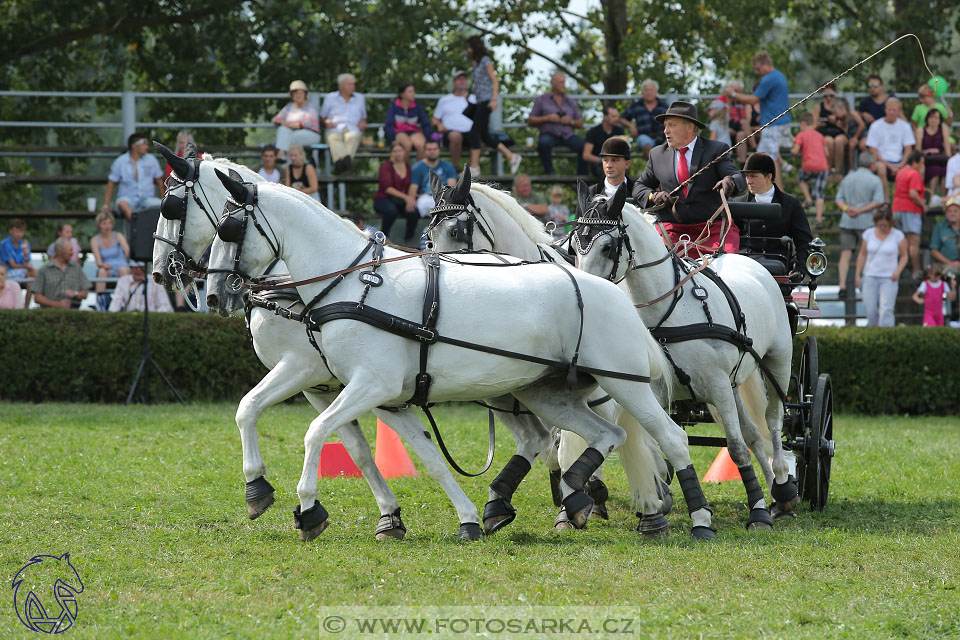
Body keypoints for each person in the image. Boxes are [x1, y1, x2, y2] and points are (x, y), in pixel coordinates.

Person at [633, 101, 745, 257]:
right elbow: (639, 187)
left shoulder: (716, 149)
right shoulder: (656, 154)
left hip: (712, 230)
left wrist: (729, 182)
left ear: (690, 126)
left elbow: (737, 176)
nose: (666, 131)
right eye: (665, 126)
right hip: (671, 232)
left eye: (672, 125)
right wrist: (654, 196)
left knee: (730, 270)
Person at [734, 152, 813, 271]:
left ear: (768, 177)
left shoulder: (791, 203)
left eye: (753, 176)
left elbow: (804, 242)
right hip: (746, 269)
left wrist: (798, 270)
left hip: (781, 268)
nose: (749, 181)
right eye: (747, 176)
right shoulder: (738, 203)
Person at [725, 51, 791, 188]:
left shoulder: (770, 79)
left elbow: (754, 99)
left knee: (771, 160)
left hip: (774, 125)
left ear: (766, 64)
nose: (756, 71)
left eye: (758, 68)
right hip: (777, 124)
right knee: (761, 159)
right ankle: (767, 193)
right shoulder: (779, 76)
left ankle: (779, 197)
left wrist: (733, 94)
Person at [465, 35, 521, 177]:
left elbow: (494, 81)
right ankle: (511, 156)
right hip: (479, 100)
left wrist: (494, 99)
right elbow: (481, 83)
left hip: (486, 101)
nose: (468, 50)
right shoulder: (475, 64)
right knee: (485, 136)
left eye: (469, 47)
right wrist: (471, 91)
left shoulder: (485, 61)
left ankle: (474, 166)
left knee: (474, 132)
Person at [835, 151, 886, 296]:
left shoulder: (848, 178)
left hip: (847, 221)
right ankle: (862, 281)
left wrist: (847, 208)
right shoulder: (875, 180)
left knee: (845, 253)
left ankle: (842, 285)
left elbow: (839, 199)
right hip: (866, 223)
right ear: (871, 164)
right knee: (864, 253)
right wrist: (860, 210)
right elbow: (878, 201)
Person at [855, 209, 908, 327]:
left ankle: (886, 334)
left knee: (886, 309)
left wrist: (898, 271)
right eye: (879, 225)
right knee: (870, 309)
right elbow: (862, 254)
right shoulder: (868, 233)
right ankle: (873, 333)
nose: (882, 227)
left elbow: (904, 255)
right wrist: (858, 274)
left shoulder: (898, 235)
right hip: (870, 275)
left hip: (889, 277)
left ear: (890, 223)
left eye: (885, 225)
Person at [527, 72, 586, 176]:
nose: (564, 85)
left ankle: (581, 176)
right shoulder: (541, 99)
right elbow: (530, 120)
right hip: (549, 133)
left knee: (585, 146)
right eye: (561, 82)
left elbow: (580, 123)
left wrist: (570, 121)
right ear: (553, 83)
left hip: (568, 135)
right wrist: (547, 118)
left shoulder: (570, 101)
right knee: (543, 143)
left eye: (564, 82)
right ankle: (550, 174)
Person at [102, 133, 164, 223]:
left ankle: (142, 229)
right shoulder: (120, 161)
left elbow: (159, 181)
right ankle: (137, 227)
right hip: (127, 198)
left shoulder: (151, 160)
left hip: (147, 199)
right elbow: (111, 183)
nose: (147, 147)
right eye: (144, 144)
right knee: (122, 204)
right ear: (135, 147)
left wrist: (164, 201)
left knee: (160, 206)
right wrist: (106, 205)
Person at [865, 98, 915, 200]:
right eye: (889, 109)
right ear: (885, 109)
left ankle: (905, 202)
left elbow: (908, 149)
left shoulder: (905, 126)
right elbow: (872, 149)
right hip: (881, 161)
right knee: (881, 168)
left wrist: (900, 165)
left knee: (915, 169)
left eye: (894, 110)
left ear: (899, 111)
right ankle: (885, 201)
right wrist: (889, 165)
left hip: (900, 161)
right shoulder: (876, 125)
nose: (891, 112)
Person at [320, 73, 368, 175]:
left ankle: (339, 163)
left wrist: (363, 123)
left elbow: (364, 118)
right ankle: (346, 161)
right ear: (341, 85)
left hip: (353, 128)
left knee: (353, 137)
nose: (352, 86)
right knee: (333, 138)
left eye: (353, 84)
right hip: (334, 128)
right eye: (349, 84)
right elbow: (322, 117)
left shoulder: (360, 98)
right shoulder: (330, 97)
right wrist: (327, 122)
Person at [891, 150, 926, 280]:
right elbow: (913, 194)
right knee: (914, 241)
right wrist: (923, 205)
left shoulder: (901, 172)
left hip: (897, 209)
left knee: (902, 240)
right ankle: (916, 271)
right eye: (922, 163)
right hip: (910, 209)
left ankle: (901, 266)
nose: (923, 166)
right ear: (915, 162)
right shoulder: (914, 173)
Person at [373, 141, 417, 245]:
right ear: (391, 153)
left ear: (404, 152)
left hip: (400, 200)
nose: (397, 153)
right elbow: (387, 188)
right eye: (395, 151)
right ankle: (383, 237)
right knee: (391, 211)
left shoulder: (408, 167)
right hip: (384, 198)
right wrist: (407, 198)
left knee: (413, 212)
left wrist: (410, 199)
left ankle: (409, 240)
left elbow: (412, 185)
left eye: (399, 151)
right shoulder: (386, 167)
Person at [791, 113, 829, 229]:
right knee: (819, 193)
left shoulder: (801, 135)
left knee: (801, 177)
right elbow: (827, 153)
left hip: (809, 165)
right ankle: (819, 218)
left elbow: (795, 151)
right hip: (823, 166)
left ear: (803, 124)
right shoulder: (820, 135)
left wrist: (793, 151)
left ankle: (808, 198)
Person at [31, 238, 92, 309]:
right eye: (70, 250)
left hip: (74, 311)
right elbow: (37, 297)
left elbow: (85, 293)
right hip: (50, 312)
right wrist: (57, 304)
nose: (72, 253)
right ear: (59, 251)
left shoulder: (76, 268)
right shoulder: (44, 270)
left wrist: (75, 294)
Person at [432, 70, 474, 168]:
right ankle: (456, 168)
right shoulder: (445, 100)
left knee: (478, 136)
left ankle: (473, 168)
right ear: (454, 83)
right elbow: (435, 119)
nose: (462, 81)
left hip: (470, 133)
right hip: (450, 134)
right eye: (459, 79)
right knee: (455, 136)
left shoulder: (473, 98)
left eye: (464, 79)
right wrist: (439, 125)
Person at [271, 80, 321, 162]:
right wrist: (289, 124)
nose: (298, 95)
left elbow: (304, 124)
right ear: (291, 95)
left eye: (300, 93)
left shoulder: (311, 108)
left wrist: (284, 123)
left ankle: (282, 158)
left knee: (286, 139)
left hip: (310, 134)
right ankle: (284, 158)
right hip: (292, 134)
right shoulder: (289, 107)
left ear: (305, 94)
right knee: (282, 130)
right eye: (295, 93)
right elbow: (275, 119)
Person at [620, 79, 669, 159]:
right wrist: (631, 126)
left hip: (663, 137)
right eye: (646, 90)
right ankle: (654, 169)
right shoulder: (636, 105)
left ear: (656, 92)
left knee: (672, 146)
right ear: (642, 92)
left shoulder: (664, 106)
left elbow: (673, 120)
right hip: (644, 136)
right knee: (645, 144)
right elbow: (622, 118)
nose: (649, 92)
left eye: (651, 90)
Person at [90, 211, 131, 307]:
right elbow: (98, 261)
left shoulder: (118, 236)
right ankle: (100, 304)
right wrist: (103, 265)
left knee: (123, 270)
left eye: (109, 223)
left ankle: (126, 302)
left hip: (122, 266)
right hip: (107, 267)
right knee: (102, 271)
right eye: (104, 223)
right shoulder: (94, 240)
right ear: (99, 225)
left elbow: (128, 252)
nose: (107, 226)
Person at [930, 196, 960, 322]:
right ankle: (953, 312)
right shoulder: (940, 227)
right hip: (946, 265)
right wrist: (951, 263)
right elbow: (934, 250)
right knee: (952, 275)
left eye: (955, 210)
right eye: (949, 211)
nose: (952, 213)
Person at [385, 83, 432, 162]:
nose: (413, 94)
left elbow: (426, 123)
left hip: (414, 132)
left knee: (422, 146)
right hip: (399, 132)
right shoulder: (394, 107)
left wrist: (428, 138)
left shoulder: (417, 107)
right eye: (410, 92)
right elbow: (389, 124)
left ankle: (417, 172)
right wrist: (392, 139)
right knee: (407, 145)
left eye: (413, 91)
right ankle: (403, 171)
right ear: (402, 94)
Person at [410, 138, 457, 217]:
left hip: (443, 198)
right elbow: (412, 191)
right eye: (429, 149)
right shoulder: (417, 168)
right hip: (424, 198)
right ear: (424, 151)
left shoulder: (448, 166)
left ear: (439, 150)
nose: (432, 152)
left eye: (435, 149)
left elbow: (452, 189)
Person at [582, 104, 625, 179]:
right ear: (605, 117)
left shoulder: (619, 131)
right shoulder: (593, 132)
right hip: (599, 165)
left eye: (617, 116)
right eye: (613, 116)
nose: (616, 119)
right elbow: (586, 155)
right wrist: (604, 161)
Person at [916, 108, 952, 196]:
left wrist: (951, 161)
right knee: (934, 171)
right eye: (931, 118)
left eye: (936, 118)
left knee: (946, 171)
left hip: (940, 159)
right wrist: (927, 151)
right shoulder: (921, 130)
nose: (933, 120)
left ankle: (944, 199)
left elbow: (947, 147)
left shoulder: (943, 129)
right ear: (927, 119)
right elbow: (917, 151)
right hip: (927, 160)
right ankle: (932, 197)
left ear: (940, 120)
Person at [107, 265, 174, 313]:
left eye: (141, 268)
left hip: (151, 322)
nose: (138, 270)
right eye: (135, 268)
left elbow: (166, 307)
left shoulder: (155, 281)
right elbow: (114, 306)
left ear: (145, 268)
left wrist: (152, 315)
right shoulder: (123, 281)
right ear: (131, 268)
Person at [815, 83, 848, 176]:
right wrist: (821, 122)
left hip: (839, 132)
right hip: (824, 132)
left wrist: (837, 121)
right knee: (828, 141)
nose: (829, 98)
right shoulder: (819, 107)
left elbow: (846, 125)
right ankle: (827, 170)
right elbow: (814, 125)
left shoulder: (840, 105)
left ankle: (837, 171)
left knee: (838, 141)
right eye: (826, 96)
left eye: (831, 95)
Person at [719, 80, 754, 164]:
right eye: (733, 91)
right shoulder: (722, 100)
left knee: (741, 134)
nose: (735, 94)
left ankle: (742, 165)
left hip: (741, 131)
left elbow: (748, 120)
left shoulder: (744, 103)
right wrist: (729, 101)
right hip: (727, 130)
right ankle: (755, 147)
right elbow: (720, 119)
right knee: (743, 122)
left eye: (737, 92)